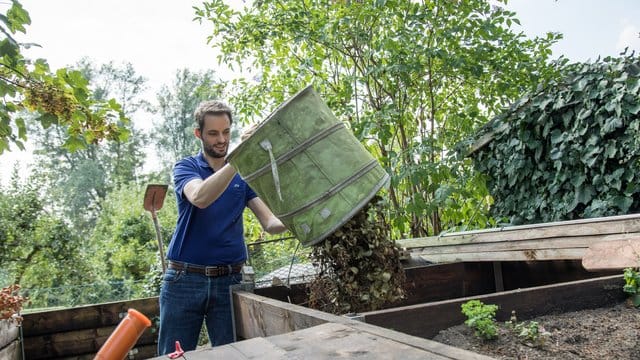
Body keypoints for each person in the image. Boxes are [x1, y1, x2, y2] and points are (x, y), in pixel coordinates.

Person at [157, 100, 287, 354]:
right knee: (173, 356)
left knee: (233, 355)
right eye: (213, 133)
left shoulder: (242, 175)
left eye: (226, 132)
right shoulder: (187, 167)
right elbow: (200, 198)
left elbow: (270, 223)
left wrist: (306, 216)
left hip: (230, 281)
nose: (222, 140)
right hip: (185, 281)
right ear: (199, 134)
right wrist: (238, 159)